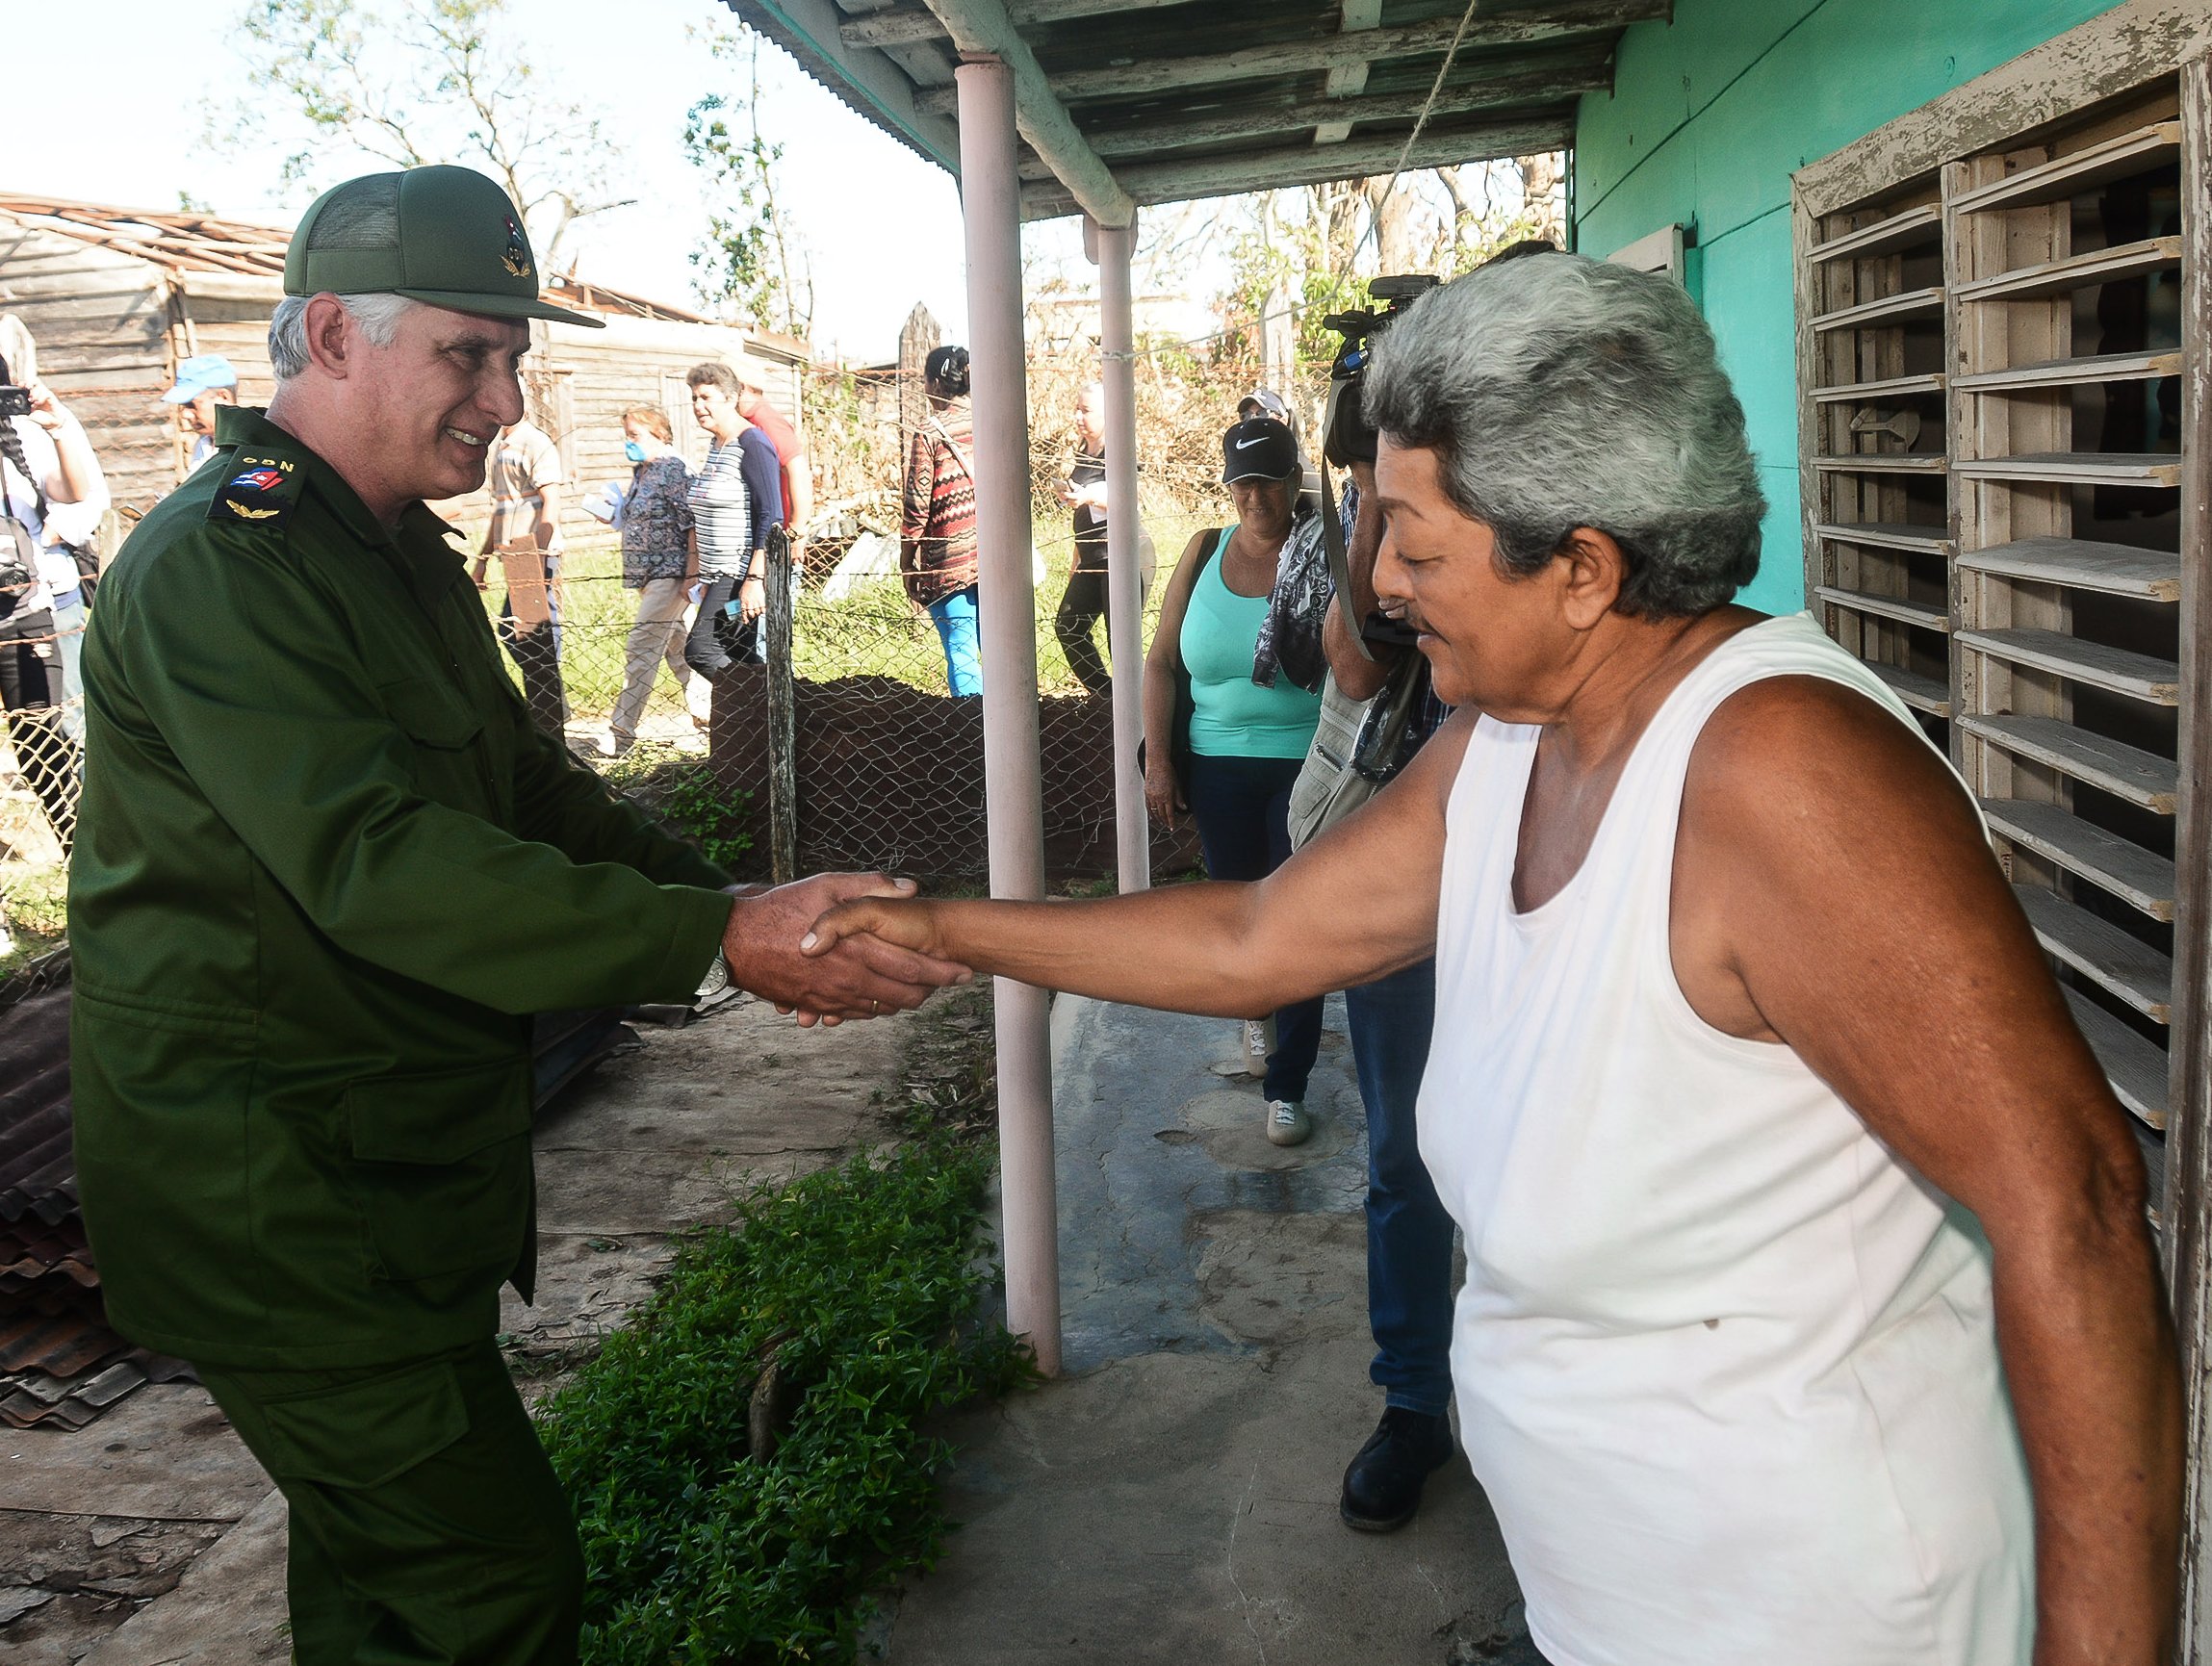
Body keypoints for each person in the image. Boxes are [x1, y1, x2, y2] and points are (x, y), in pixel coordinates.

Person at [807, 252, 2182, 1666]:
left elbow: (2069, 1213)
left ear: (1580, 567)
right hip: (1612, 1606)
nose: (1384, 589)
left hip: (1818, 1606)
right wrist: (938, 928)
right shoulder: (1515, 738)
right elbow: (1258, 934)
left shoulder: (1779, 771)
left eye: (1413, 539)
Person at [66, 164, 965, 1666]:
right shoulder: (226, 569)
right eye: (466, 354)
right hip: (274, 1194)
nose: (504, 396)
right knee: (495, 1585)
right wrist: (713, 941)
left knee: (380, 1591)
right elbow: (381, 860)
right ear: (335, 338)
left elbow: (528, 799)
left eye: (513, 353)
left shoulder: (390, 552)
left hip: (387, 1168)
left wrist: (740, 911)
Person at [1145, 416, 1324, 1146]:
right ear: (1228, 486)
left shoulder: (1321, 554)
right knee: (1236, 904)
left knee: (1300, 920)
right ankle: (1257, 1007)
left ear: (1293, 484)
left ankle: (1288, 1085)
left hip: (1306, 760)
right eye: (1242, 482)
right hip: (1214, 759)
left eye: (1270, 481)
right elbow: (1161, 663)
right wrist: (1160, 758)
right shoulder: (1200, 550)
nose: (1256, 496)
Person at [0, 353, 100, 849]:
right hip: (30, 607)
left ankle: (81, 856)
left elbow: (75, 493)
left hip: (31, 611)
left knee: (49, 740)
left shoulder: (19, 442)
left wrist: (58, 428)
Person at [605, 405, 697, 755]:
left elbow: (690, 522)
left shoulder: (673, 469)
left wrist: (691, 573)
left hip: (669, 573)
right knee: (679, 650)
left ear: (659, 434)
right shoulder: (642, 470)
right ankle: (710, 715)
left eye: (635, 436)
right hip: (647, 574)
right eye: (627, 435)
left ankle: (622, 729)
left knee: (641, 646)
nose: (629, 442)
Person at [683, 360, 783, 679]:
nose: (699, 406)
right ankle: (763, 721)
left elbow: (771, 516)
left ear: (730, 398)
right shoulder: (716, 444)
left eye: (706, 398)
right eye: (695, 398)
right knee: (738, 651)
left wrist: (754, 582)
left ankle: (770, 702)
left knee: (701, 649)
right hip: (715, 574)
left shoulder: (752, 443)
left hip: (739, 572)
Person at [471, 416, 569, 735]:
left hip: (532, 553)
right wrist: (483, 559)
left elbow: (550, 502)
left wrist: (537, 557)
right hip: (511, 554)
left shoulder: (535, 442)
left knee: (532, 639)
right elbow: (500, 509)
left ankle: (551, 723)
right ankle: (548, 711)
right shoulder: (501, 445)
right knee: (517, 635)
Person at [900, 345, 982, 697]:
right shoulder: (991, 420)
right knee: (1000, 652)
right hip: (996, 558)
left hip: (950, 564)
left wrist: (907, 561)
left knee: (962, 653)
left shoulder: (930, 432)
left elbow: (917, 504)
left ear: (933, 383)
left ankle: (972, 735)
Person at [1052, 380, 1115, 696]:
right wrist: (1075, 561)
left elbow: (1125, 497)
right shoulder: (1083, 451)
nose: (1077, 416)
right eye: (1076, 409)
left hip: (1119, 558)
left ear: (1108, 413)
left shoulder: (1117, 449)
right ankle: (1106, 696)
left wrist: (1088, 495)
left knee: (1120, 642)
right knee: (1068, 626)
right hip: (1090, 558)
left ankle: (1131, 709)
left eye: (1086, 410)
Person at [734, 362, 811, 558]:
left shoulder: (764, 419)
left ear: (740, 388)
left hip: (778, 537)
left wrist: (796, 531)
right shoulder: (749, 420)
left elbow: (798, 470)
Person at [163, 353, 240, 474]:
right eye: (183, 406)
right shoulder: (203, 445)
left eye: (192, 405)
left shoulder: (250, 449)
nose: (185, 414)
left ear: (224, 397)